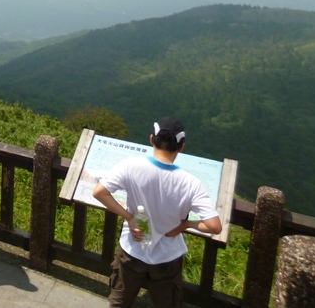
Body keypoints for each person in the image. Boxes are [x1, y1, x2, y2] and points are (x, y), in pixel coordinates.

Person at [92, 117, 222, 308]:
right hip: (167, 255)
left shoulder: (131, 166)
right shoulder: (191, 183)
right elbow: (214, 226)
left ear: (151, 139)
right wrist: (186, 224)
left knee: (120, 302)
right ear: (181, 147)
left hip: (133, 248)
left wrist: (128, 217)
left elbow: (99, 192)